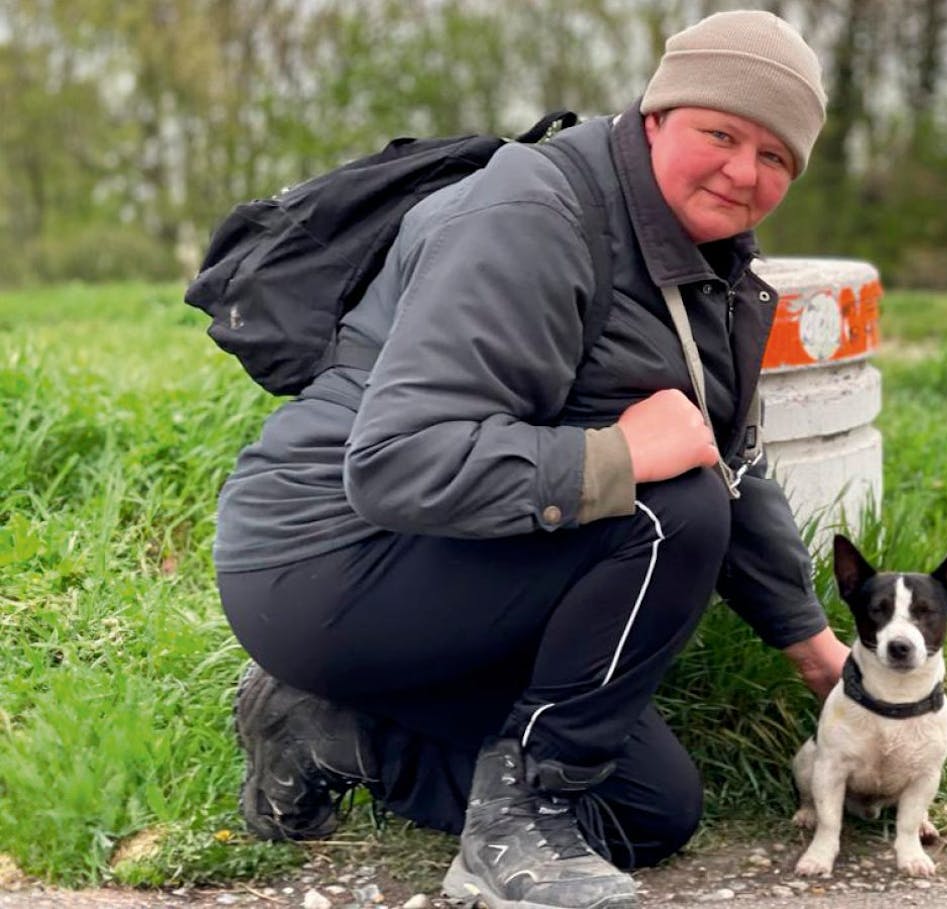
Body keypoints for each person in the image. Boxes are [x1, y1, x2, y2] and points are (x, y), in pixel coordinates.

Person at [212, 10, 847, 909]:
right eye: (721, 133)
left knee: (650, 812)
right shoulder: (534, 216)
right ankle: (519, 823)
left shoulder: (711, 272)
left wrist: (824, 659)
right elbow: (396, 460)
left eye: (776, 157)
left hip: (461, 563)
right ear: (658, 116)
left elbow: (733, 471)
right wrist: (621, 453)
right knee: (674, 507)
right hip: (324, 560)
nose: (743, 171)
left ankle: (326, 730)